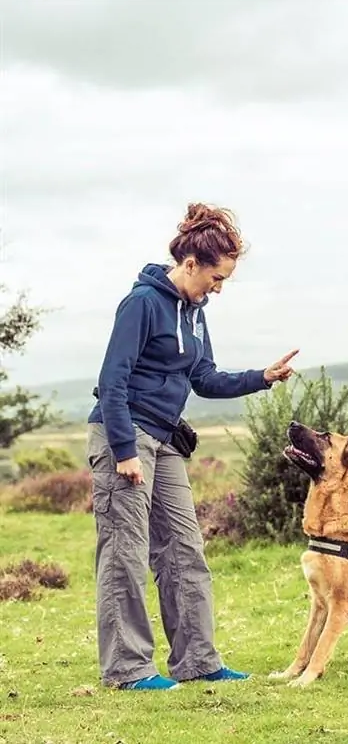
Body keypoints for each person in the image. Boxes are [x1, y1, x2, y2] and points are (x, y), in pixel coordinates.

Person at [87, 203, 298, 691]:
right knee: (125, 551)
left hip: (165, 439)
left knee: (184, 549)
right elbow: (111, 380)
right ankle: (128, 668)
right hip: (125, 435)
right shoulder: (141, 303)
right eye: (216, 277)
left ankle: (199, 661)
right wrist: (123, 451)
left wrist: (261, 378)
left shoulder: (194, 312)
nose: (218, 288)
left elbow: (203, 378)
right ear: (191, 264)